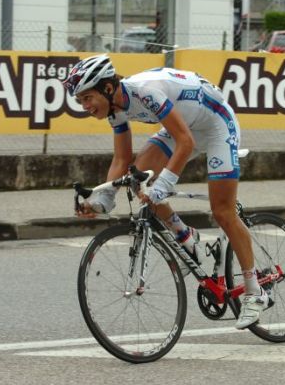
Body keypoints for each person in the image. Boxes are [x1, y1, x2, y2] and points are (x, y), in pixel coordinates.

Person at [63, 54, 269, 329]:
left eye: (88, 98)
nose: (85, 106)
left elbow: (186, 142)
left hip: (216, 125)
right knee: (138, 180)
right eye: (80, 101)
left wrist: (163, 186)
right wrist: (101, 199)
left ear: (107, 88)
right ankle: (187, 239)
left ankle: (255, 292)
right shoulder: (115, 109)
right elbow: (121, 161)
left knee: (222, 212)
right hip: (183, 127)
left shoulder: (145, 93)